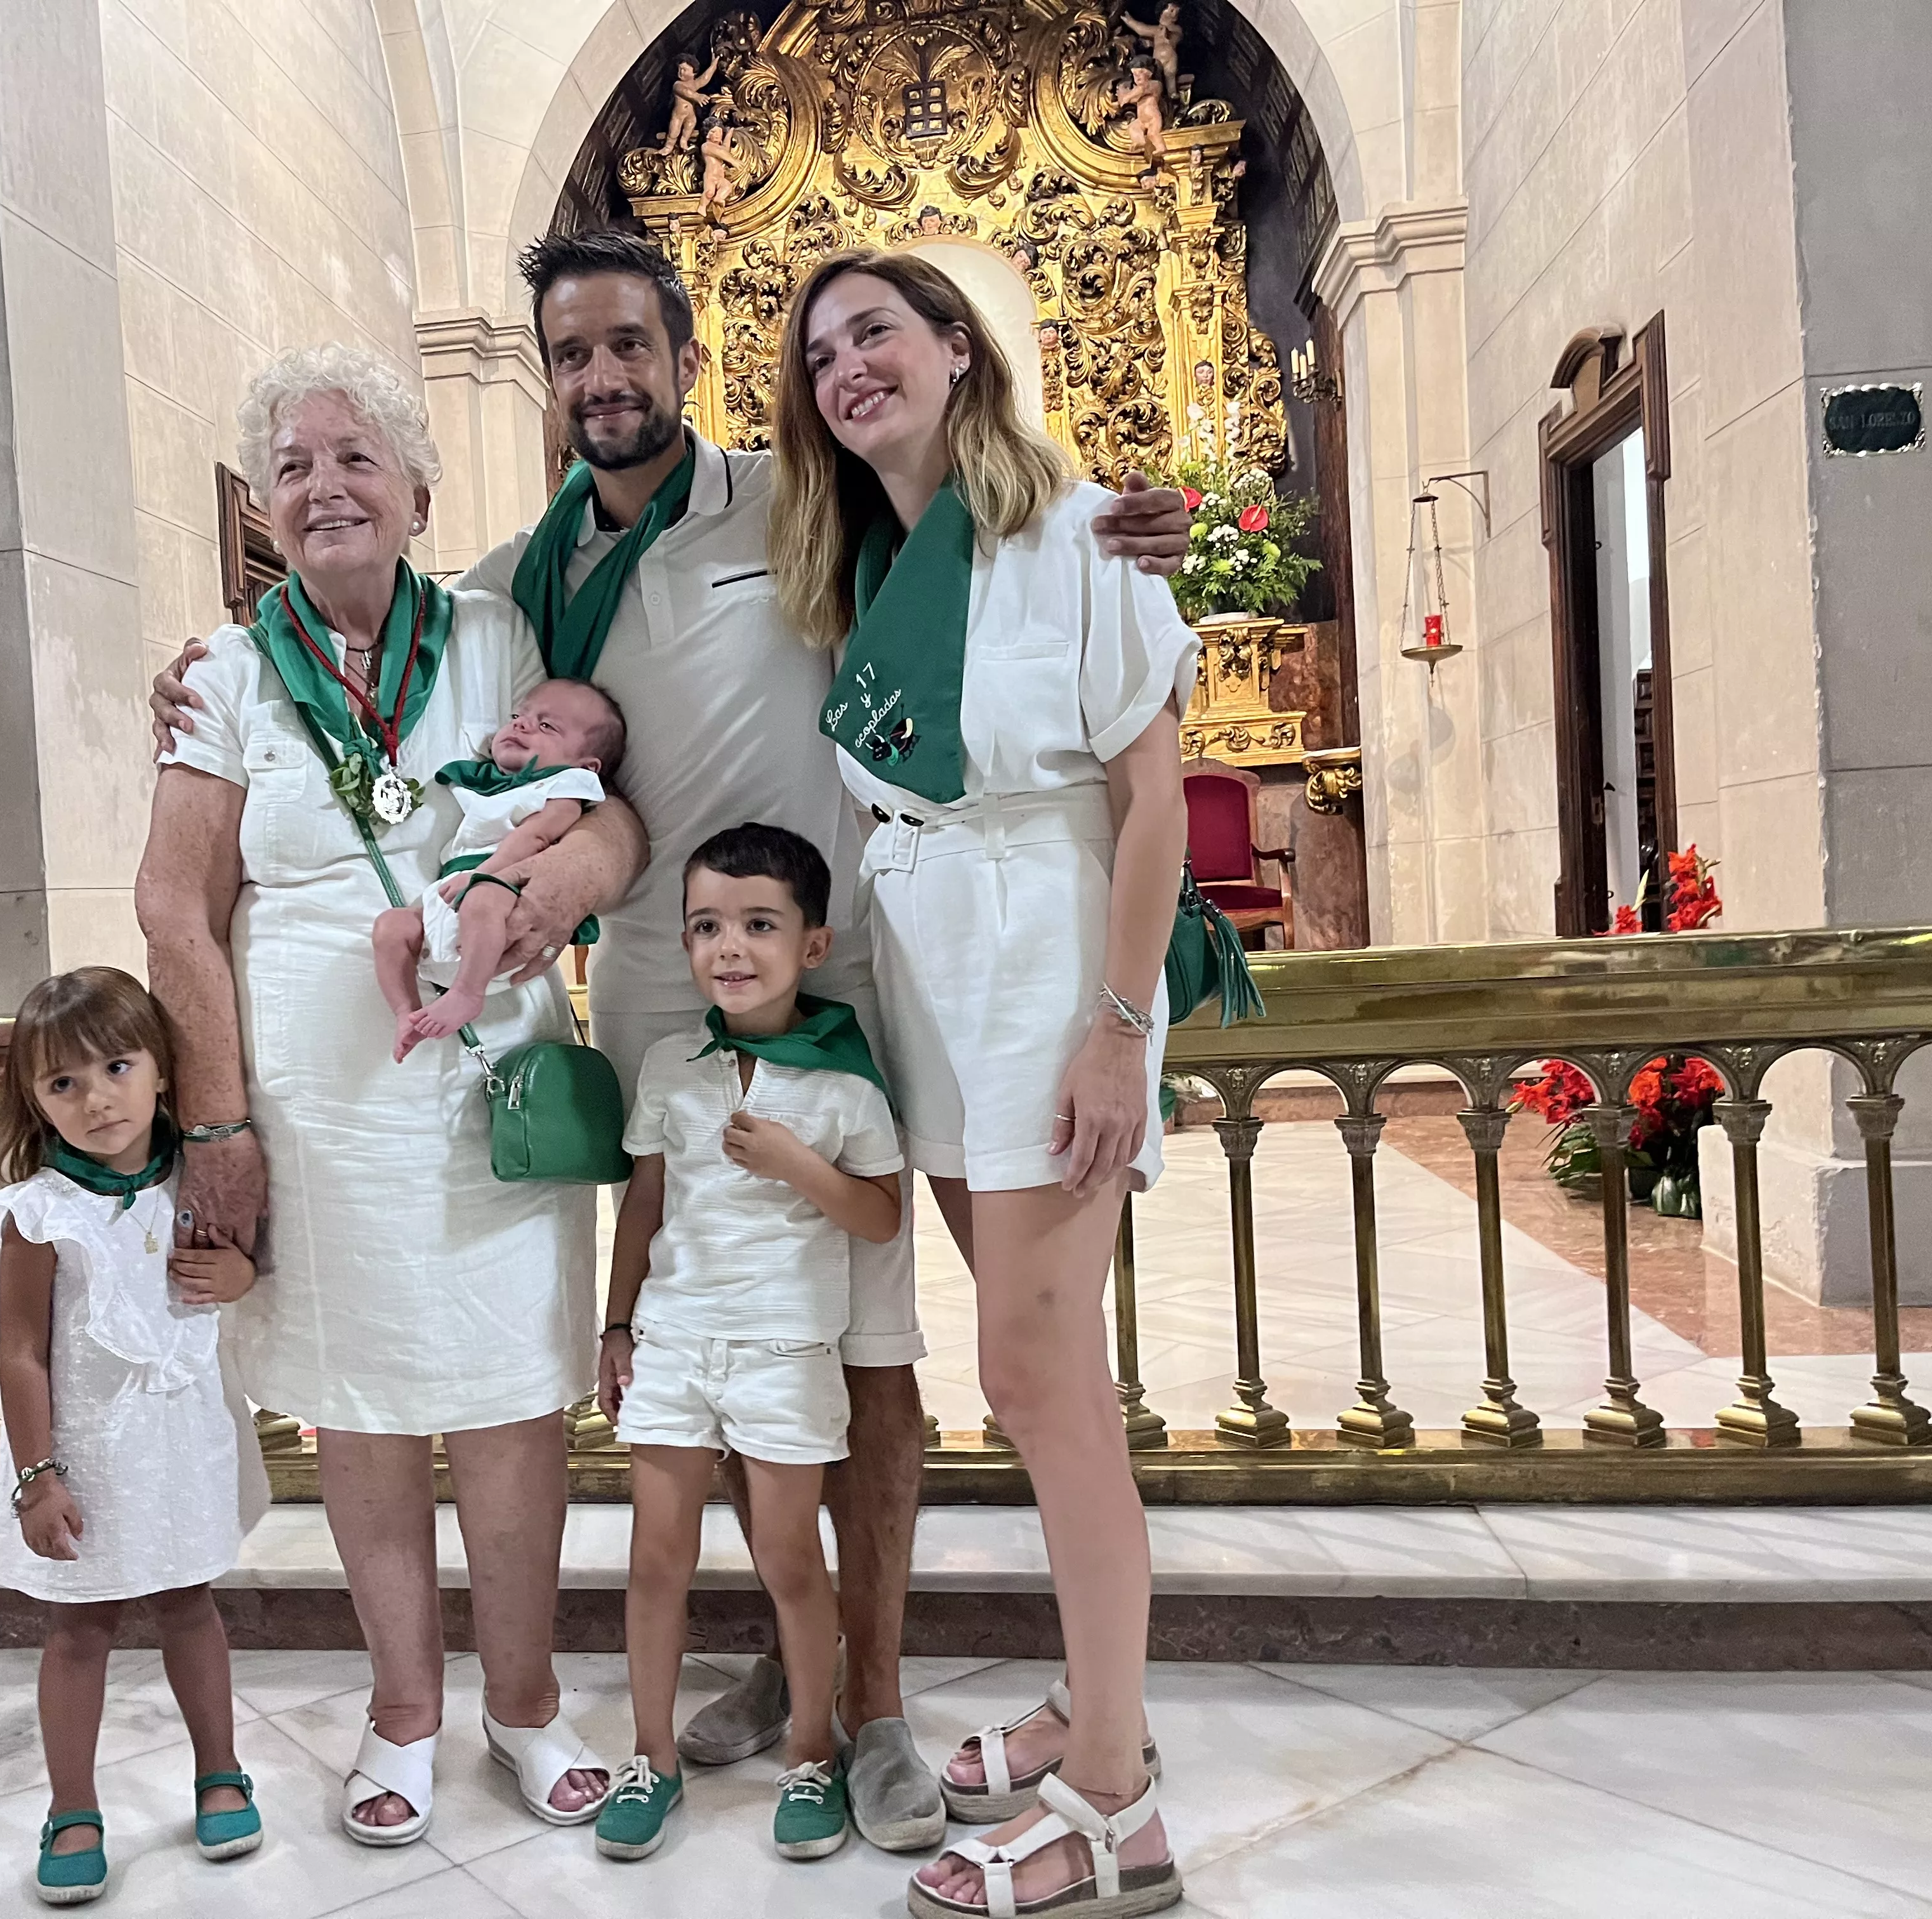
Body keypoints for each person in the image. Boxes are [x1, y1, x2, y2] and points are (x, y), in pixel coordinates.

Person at [151, 230, 1189, 1856]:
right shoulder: (514, 581)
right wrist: (203, 669)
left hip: (841, 966)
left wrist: (1123, 521)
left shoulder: (797, 496)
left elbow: (987, 542)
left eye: (630, 346)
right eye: (572, 355)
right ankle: (794, 1673)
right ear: (546, 379)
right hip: (646, 991)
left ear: (685, 358)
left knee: (861, 1343)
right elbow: (381, 650)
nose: (603, 380)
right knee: (707, 1340)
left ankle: (884, 1703)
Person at [138, 343, 647, 1850]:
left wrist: (566, 888)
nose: (324, 487)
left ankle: (530, 1701)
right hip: (314, 1097)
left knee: (507, 1400)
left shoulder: (499, 637)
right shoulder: (225, 674)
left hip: (491, 1076)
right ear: (266, 509)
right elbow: (176, 909)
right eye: (292, 467)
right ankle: (407, 1710)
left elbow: (619, 818)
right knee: (359, 1410)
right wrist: (219, 1125)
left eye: (356, 459)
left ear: (421, 493)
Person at [779, 246, 1193, 1917]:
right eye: (819, 356)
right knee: (1033, 1366)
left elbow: (1153, 806)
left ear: (960, 350)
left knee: (1036, 1381)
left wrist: (1116, 1023)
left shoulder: (1085, 538)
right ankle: (1102, 1711)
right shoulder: (864, 569)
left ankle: (1113, 1803)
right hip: (929, 979)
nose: (848, 367)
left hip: (1047, 968)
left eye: (877, 331)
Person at [593, 823, 905, 1866]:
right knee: (653, 1556)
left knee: (787, 1556)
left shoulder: (842, 1081)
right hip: (676, 1341)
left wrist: (792, 1161)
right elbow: (644, 1201)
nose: (731, 946)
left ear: (812, 944)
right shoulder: (671, 1063)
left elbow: (876, 1216)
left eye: (759, 924)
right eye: (707, 926)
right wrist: (617, 1321)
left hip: (783, 1349)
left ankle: (812, 1750)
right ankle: (651, 1756)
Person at [0, 966, 267, 1906]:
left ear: (162, 1070)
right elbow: (22, 1352)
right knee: (80, 1626)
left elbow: (245, 1268)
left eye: (117, 1066)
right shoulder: (39, 1210)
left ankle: (220, 1771)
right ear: (33, 1099)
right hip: (86, 1450)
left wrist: (240, 1280)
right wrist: (38, 1476)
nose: (98, 1099)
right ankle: (72, 1807)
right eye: (64, 1083)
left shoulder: (199, 1175)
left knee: (191, 1603)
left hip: (181, 1436)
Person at [373, 676, 626, 1058]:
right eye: (517, 716)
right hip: (456, 891)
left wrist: (486, 874)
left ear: (586, 765)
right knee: (392, 926)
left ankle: (467, 994)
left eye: (546, 725)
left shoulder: (564, 787)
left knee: (483, 900)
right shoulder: (492, 783)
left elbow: (536, 837)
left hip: (506, 894)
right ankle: (406, 1011)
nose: (522, 724)